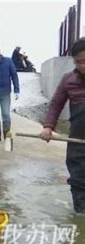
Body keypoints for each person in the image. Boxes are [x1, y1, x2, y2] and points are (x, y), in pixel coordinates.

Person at [41, 38, 85, 213]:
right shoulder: (69, 80)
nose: (83, 66)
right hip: (77, 139)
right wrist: (48, 126)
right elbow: (56, 104)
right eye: (79, 62)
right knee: (78, 179)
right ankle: (80, 216)